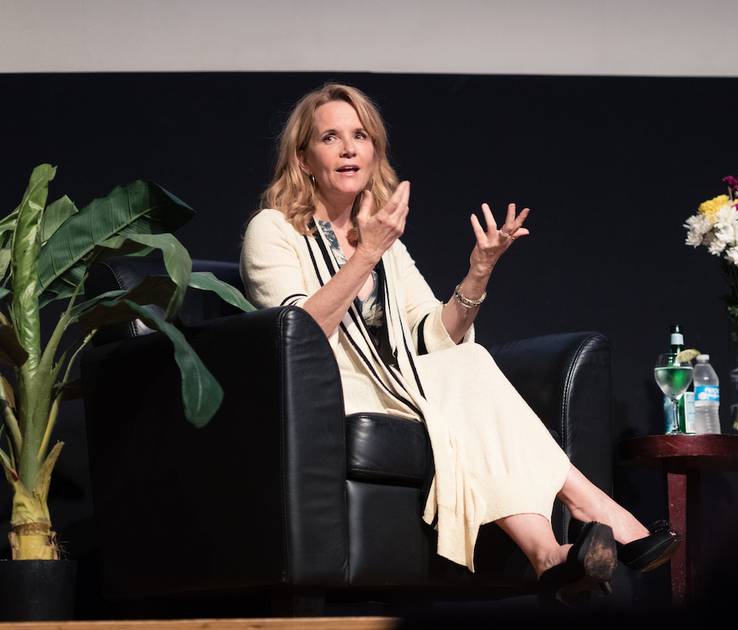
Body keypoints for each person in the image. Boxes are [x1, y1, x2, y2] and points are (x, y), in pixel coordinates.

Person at [239, 83, 678, 603]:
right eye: (330, 137)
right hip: (332, 395)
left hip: (401, 383)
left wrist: (477, 274)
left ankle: (550, 558)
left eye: (360, 136)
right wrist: (366, 256)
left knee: (468, 363)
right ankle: (596, 507)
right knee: (466, 376)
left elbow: (432, 336)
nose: (349, 148)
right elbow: (300, 338)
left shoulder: (380, 238)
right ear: (304, 158)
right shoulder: (274, 230)